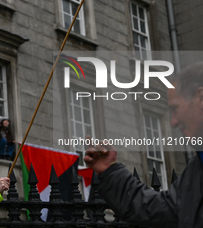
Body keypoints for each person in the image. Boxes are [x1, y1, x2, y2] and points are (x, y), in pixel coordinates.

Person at [84, 62, 203, 228]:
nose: (174, 122)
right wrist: (109, 170)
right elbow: (158, 209)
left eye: (175, 109)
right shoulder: (197, 167)